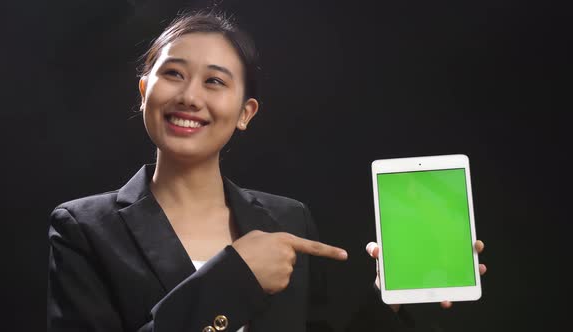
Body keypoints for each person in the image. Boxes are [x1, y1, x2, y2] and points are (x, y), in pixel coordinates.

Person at [47, 11, 486, 332]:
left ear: (245, 112)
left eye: (215, 81)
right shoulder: (83, 228)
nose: (189, 96)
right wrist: (233, 278)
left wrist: (386, 298)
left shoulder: (288, 219)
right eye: (174, 74)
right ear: (145, 92)